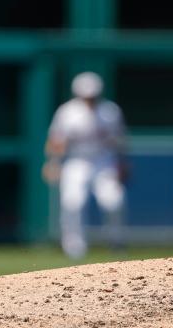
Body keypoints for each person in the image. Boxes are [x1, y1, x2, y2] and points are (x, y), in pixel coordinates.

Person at [43, 72, 127, 260]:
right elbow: (56, 140)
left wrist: (123, 163)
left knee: (114, 200)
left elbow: (120, 140)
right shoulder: (67, 112)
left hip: (104, 160)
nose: (90, 100)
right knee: (73, 202)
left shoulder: (110, 111)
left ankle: (117, 241)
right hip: (76, 160)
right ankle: (74, 247)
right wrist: (53, 162)